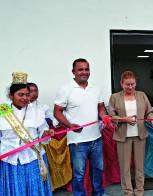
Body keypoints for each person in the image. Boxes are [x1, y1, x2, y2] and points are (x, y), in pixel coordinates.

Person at [0, 72, 54, 195]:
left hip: (33, 160)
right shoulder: (0, 114)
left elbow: (43, 133)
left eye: (27, 95)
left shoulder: (37, 112)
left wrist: (47, 133)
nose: (25, 98)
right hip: (10, 163)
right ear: (11, 96)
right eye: (20, 95)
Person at [54, 58, 107, 196]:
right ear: (73, 71)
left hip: (96, 138)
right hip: (77, 141)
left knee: (98, 170)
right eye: (80, 69)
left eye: (86, 69)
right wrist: (70, 125)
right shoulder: (65, 89)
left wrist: (104, 116)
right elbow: (57, 112)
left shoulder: (96, 88)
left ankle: (98, 194)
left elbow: (101, 108)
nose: (84, 72)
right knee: (79, 174)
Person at [108, 70, 153, 196]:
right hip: (122, 136)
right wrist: (124, 119)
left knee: (140, 166)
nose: (130, 87)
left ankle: (139, 191)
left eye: (132, 84)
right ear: (121, 84)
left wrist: (152, 118)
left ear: (136, 83)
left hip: (140, 135)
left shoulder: (142, 95)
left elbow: (149, 111)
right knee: (125, 167)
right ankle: (128, 191)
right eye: (127, 84)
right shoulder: (114, 97)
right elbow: (111, 116)